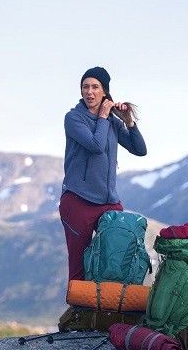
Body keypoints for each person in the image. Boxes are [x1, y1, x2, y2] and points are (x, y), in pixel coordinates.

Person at [59, 66, 147, 282]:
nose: (89, 92)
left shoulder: (112, 123)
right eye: (85, 87)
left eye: (95, 87)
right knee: (79, 270)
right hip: (78, 202)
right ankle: (78, 315)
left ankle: (109, 312)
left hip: (109, 202)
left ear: (104, 92)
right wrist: (104, 117)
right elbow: (96, 145)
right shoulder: (73, 118)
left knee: (118, 258)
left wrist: (129, 122)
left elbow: (140, 150)